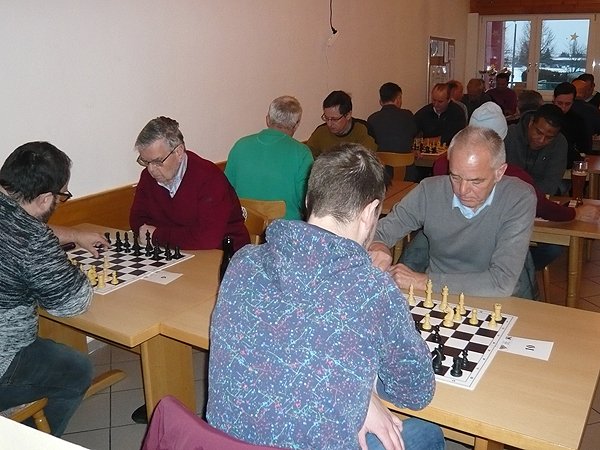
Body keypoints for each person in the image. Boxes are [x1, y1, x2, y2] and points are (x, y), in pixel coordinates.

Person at [207, 144, 444, 450]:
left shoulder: (243, 261)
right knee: (428, 434)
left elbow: (284, 351)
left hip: (222, 442)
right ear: (370, 212)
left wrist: (359, 394)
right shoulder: (373, 288)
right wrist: (363, 393)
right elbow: (416, 392)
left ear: (309, 201)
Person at [0, 141, 110, 436]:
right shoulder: (32, 240)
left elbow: (16, 223)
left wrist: (73, 234)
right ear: (45, 198)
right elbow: (73, 302)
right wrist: (69, 269)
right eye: (61, 196)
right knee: (77, 370)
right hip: (3, 361)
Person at [369, 126, 536, 297]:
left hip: (495, 300)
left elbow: (502, 283)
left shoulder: (519, 198)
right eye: (455, 177)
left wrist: (422, 281)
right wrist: (378, 245)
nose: (462, 190)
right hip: (436, 296)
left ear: (499, 172)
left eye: (476, 182)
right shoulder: (429, 191)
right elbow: (378, 232)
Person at [130, 116, 249, 251]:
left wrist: (157, 235)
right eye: (145, 162)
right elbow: (138, 221)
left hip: (225, 254)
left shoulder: (209, 178)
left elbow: (207, 238)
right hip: (177, 252)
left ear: (179, 152)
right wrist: (180, 236)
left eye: (157, 161)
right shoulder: (148, 177)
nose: (151, 169)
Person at [225, 96, 313, 220]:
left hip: (246, 225)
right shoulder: (302, 153)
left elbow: (226, 191)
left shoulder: (240, 146)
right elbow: (307, 201)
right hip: (286, 229)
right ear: (296, 124)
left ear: (267, 119)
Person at [504, 104, 568, 196]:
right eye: (538, 132)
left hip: (540, 197)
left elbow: (551, 183)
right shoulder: (508, 135)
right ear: (531, 123)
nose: (541, 140)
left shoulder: (560, 143)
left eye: (549, 138)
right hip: (507, 195)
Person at [367, 82, 419, 181]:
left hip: (382, 174)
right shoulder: (407, 115)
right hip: (406, 173)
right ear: (398, 99)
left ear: (380, 101)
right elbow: (412, 136)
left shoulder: (372, 119)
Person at [306, 90, 377, 158]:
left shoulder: (362, 130)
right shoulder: (320, 132)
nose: (329, 124)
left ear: (348, 115)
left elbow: (368, 160)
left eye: (334, 119)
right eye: (326, 118)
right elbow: (307, 156)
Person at [552, 82, 590, 167]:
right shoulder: (545, 117)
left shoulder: (578, 121)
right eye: (560, 103)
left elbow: (585, 148)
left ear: (573, 102)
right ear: (554, 99)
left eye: (568, 104)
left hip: (569, 163)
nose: (563, 108)